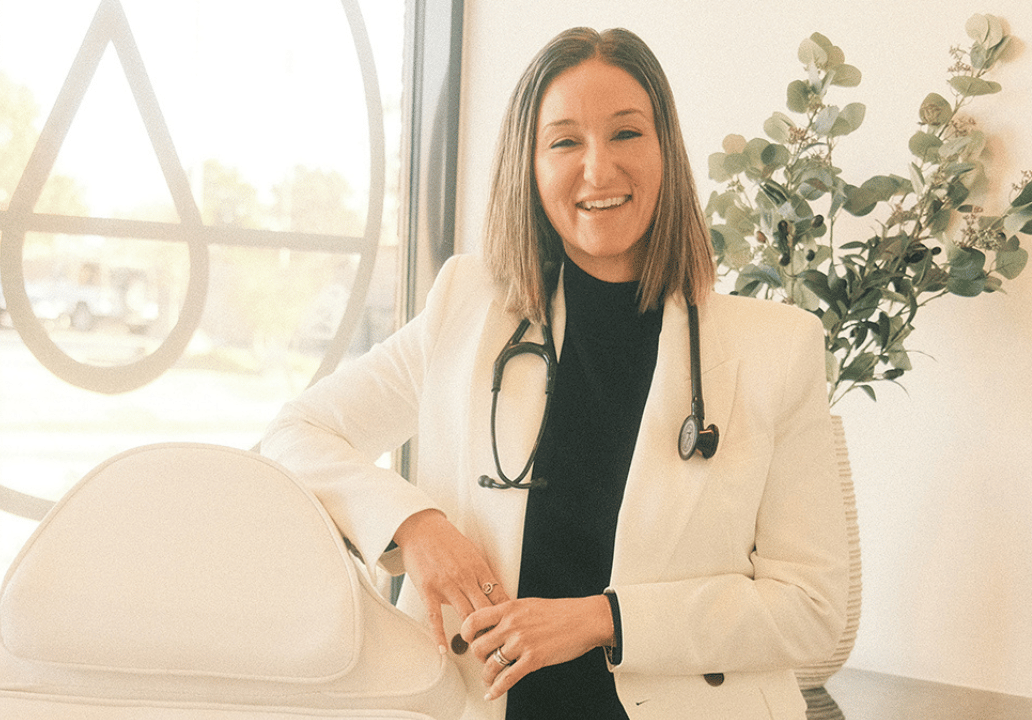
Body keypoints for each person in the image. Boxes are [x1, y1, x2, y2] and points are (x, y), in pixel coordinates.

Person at [260, 26, 847, 720]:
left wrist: (604, 619)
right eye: (565, 142)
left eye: (626, 133)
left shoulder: (777, 349)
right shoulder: (467, 310)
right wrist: (414, 526)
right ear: (530, 167)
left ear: (665, 150)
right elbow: (295, 435)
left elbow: (811, 609)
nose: (599, 170)